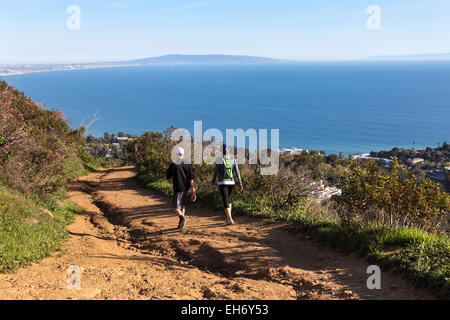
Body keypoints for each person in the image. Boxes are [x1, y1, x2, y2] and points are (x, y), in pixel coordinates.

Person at [211, 144, 243, 225]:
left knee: (225, 200)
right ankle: (229, 219)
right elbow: (237, 172)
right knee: (228, 199)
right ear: (228, 150)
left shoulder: (219, 159)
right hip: (231, 182)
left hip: (223, 182)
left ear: (222, 151)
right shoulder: (233, 159)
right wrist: (240, 183)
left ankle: (229, 218)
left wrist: (213, 181)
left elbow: (215, 172)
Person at [165, 147, 196, 230]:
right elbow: (191, 178)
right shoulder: (188, 164)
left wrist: (164, 179)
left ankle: (182, 219)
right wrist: (193, 189)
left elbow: (167, 177)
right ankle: (182, 224)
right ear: (183, 154)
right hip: (186, 188)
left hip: (178, 187)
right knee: (182, 205)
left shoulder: (173, 164)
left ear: (176, 154)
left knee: (176, 206)